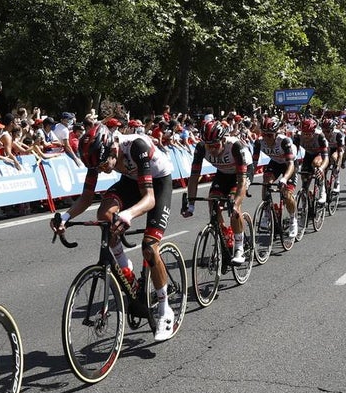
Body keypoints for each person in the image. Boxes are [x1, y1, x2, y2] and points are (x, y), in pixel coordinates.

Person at [50, 124, 178, 340]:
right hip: (130, 181)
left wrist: (128, 214)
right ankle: (126, 267)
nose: (100, 170)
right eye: (96, 167)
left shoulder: (136, 146)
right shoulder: (96, 156)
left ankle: (165, 310)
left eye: (102, 165)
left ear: (112, 148)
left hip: (157, 183)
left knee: (149, 246)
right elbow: (86, 197)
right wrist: (65, 217)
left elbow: (149, 199)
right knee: (104, 214)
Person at [183, 119, 251, 265]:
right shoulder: (201, 148)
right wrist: (191, 205)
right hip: (223, 173)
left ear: (223, 140)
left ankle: (239, 247)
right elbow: (194, 177)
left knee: (234, 205)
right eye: (209, 146)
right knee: (213, 201)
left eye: (215, 145)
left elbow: (241, 182)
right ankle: (225, 235)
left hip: (241, 174)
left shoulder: (235, 146)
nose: (212, 149)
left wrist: (235, 204)